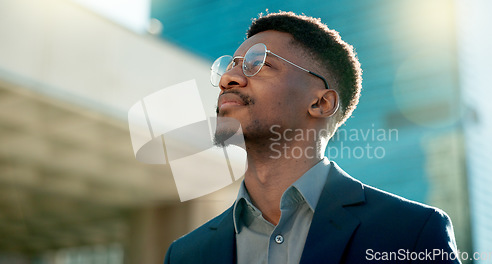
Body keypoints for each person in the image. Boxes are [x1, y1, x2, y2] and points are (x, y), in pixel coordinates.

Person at [164, 11, 461, 264]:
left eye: (259, 64)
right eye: (231, 65)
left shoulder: (411, 233)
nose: (229, 79)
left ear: (321, 103)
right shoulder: (185, 254)